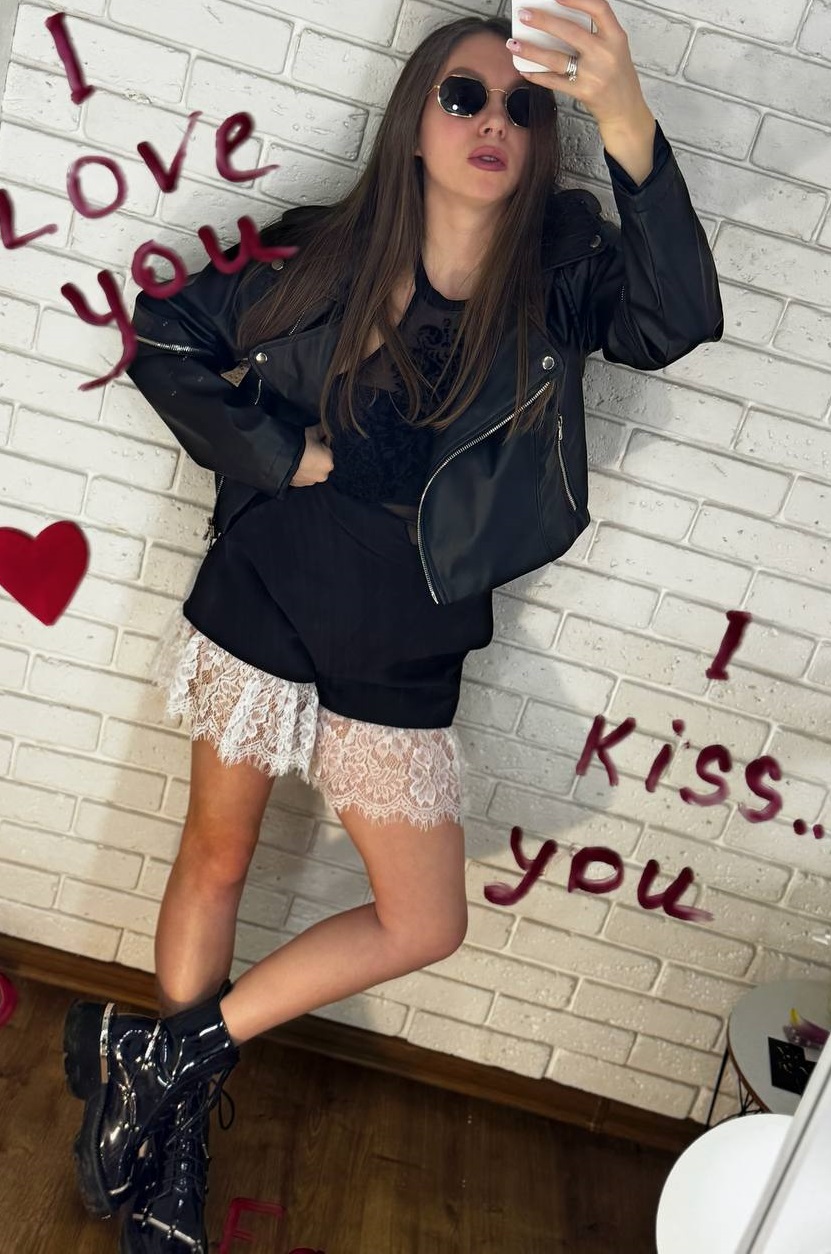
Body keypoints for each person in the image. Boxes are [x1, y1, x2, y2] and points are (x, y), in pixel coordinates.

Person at [62, 4, 724, 1250]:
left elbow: (676, 317)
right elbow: (161, 333)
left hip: (408, 632)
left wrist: (624, 112)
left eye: (521, 107)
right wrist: (280, 452)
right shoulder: (321, 254)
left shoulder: (564, 275)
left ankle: (166, 1058)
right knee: (217, 856)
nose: (493, 121)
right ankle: (172, 1138)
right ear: (415, 121)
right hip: (269, 587)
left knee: (424, 920)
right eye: (463, 96)